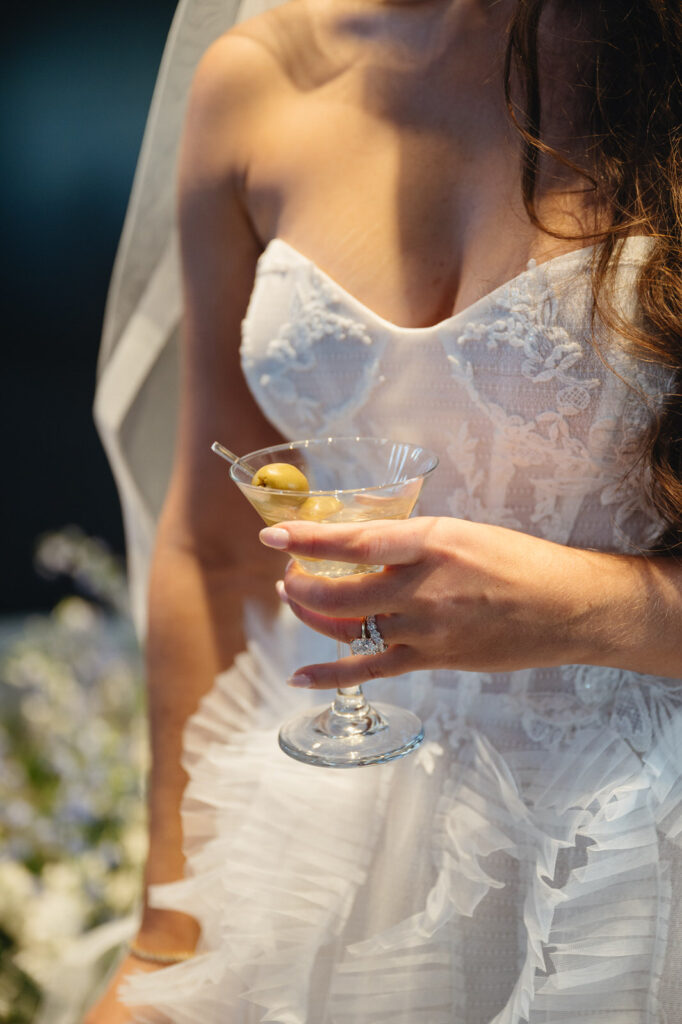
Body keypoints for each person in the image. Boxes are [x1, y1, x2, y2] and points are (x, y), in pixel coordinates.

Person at [88, 0, 682, 1020]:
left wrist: (587, 607)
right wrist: (166, 931)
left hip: (634, 844)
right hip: (331, 829)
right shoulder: (258, 78)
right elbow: (210, 547)